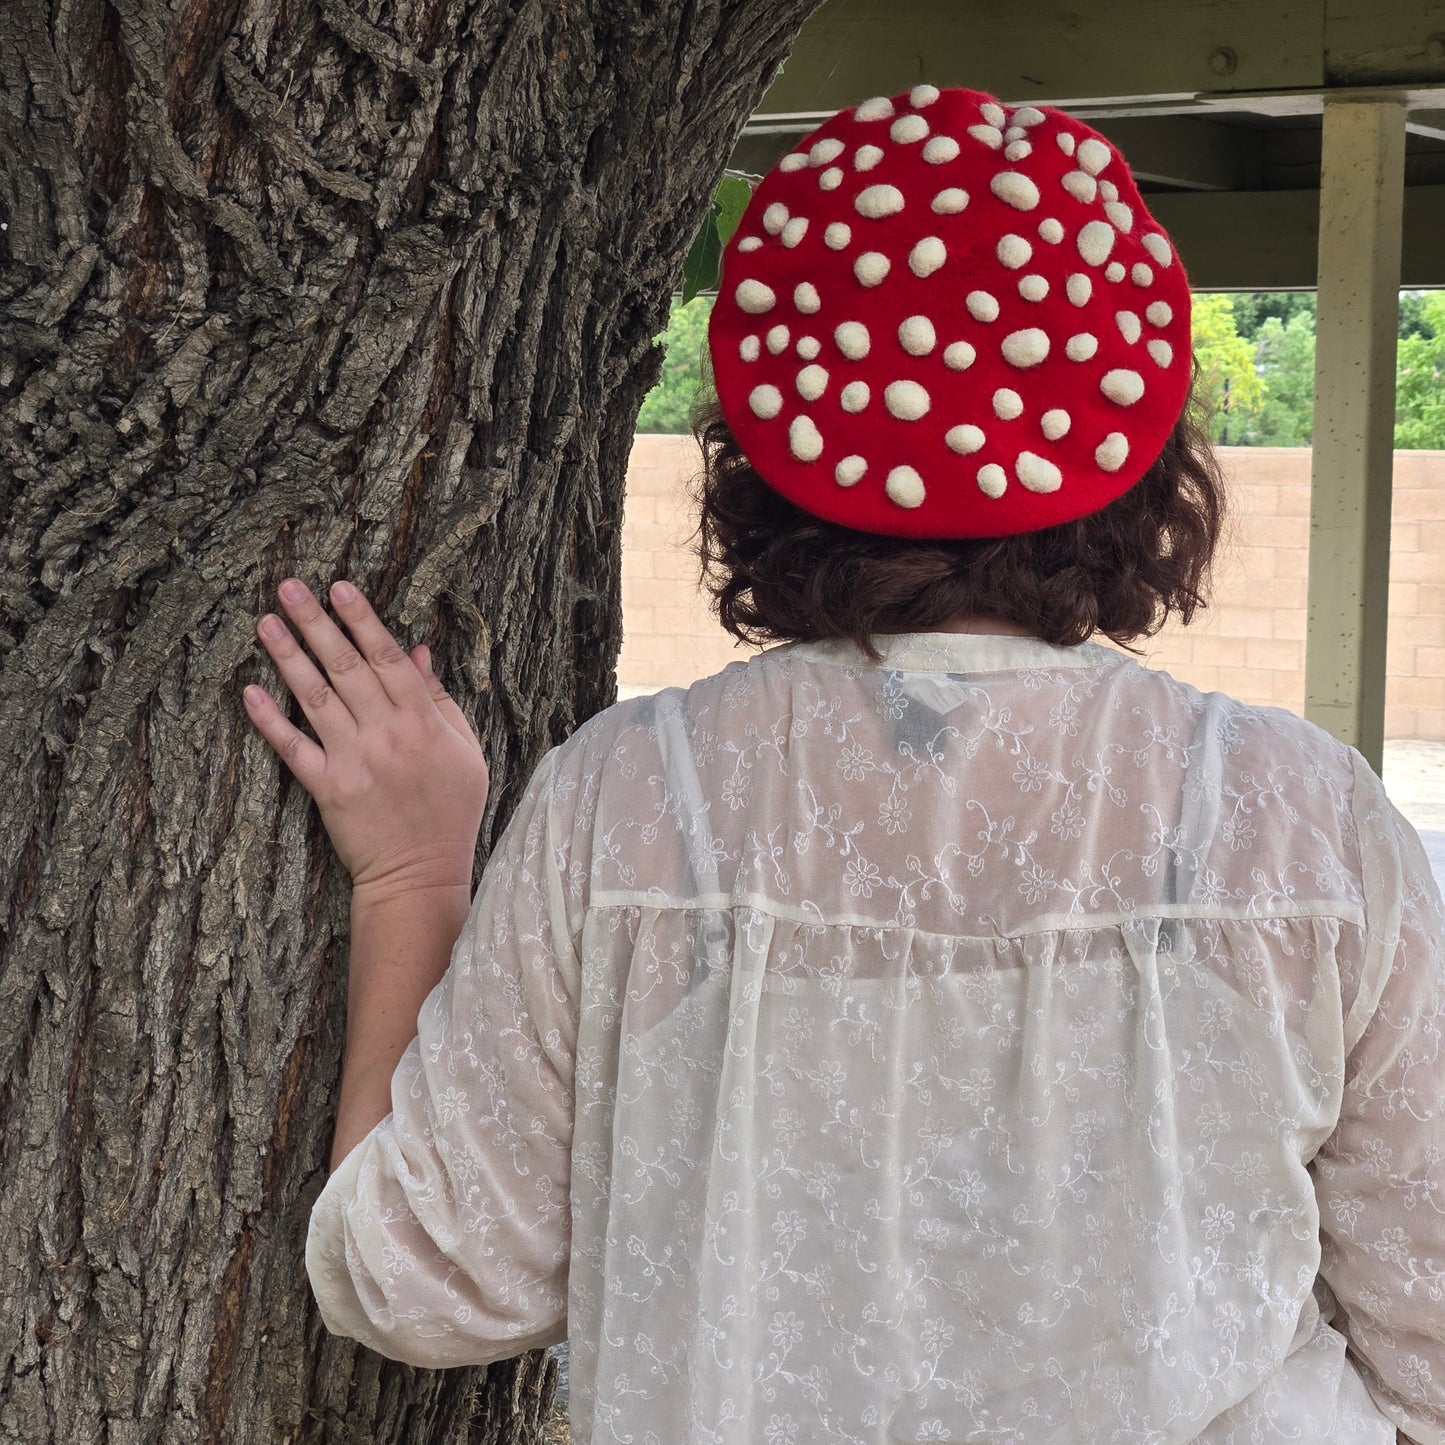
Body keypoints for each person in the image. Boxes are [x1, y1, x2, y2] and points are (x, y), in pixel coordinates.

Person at [245, 86, 1445, 1443]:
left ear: (760, 446)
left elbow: (421, 1279)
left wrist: (411, 873)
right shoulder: (1298, 820)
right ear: (1141, 445)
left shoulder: (633, 801)